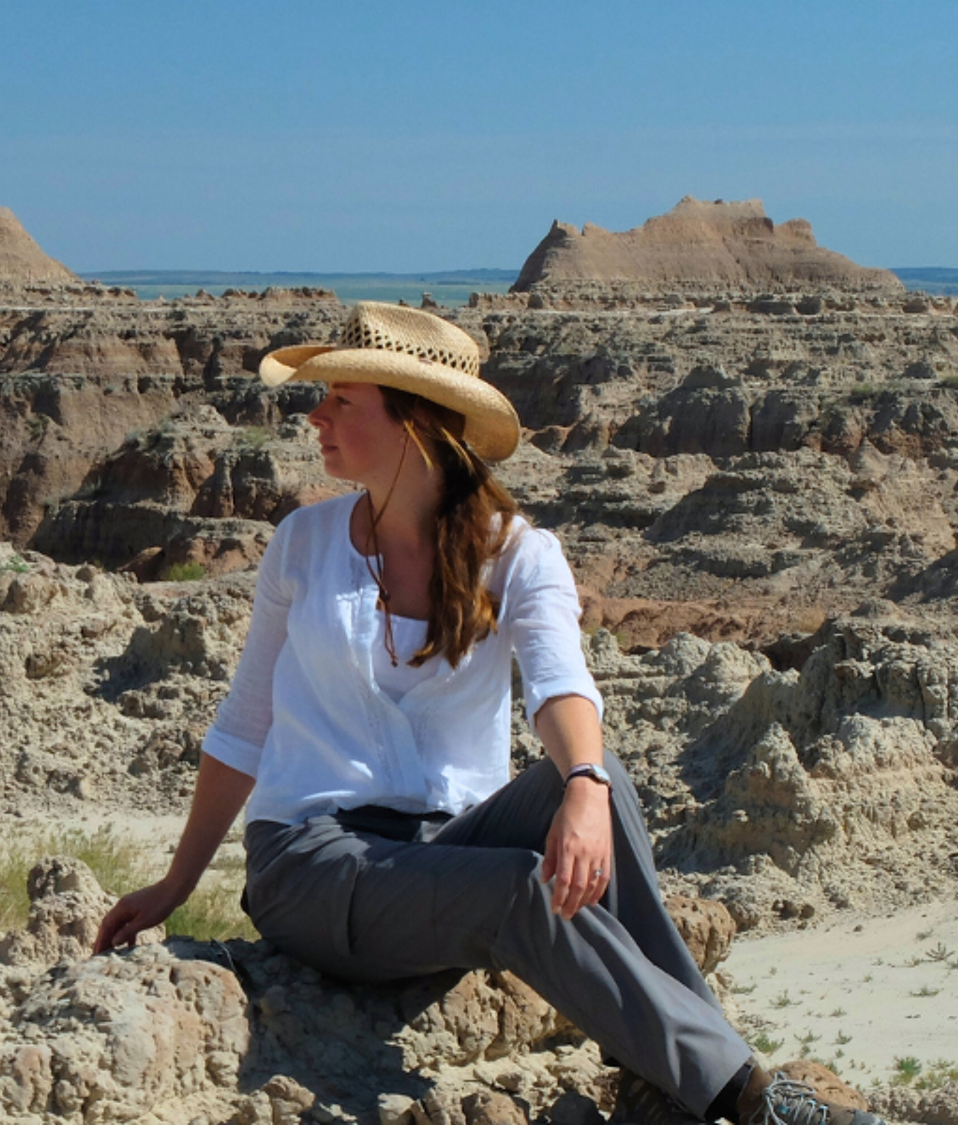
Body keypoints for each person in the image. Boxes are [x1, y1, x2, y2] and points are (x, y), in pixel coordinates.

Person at [93, 303, 880, 1125]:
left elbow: (558, 678)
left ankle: (670, 1078)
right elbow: (245, 720)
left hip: (443, 854)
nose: (315, 416)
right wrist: (176, 882)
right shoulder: (303, 542)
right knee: (518, 887)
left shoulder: (516, 551)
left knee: (600, 774)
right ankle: (750, 1099)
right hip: (310, 865)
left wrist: (580, 782)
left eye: (341, 400)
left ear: (417, 426)